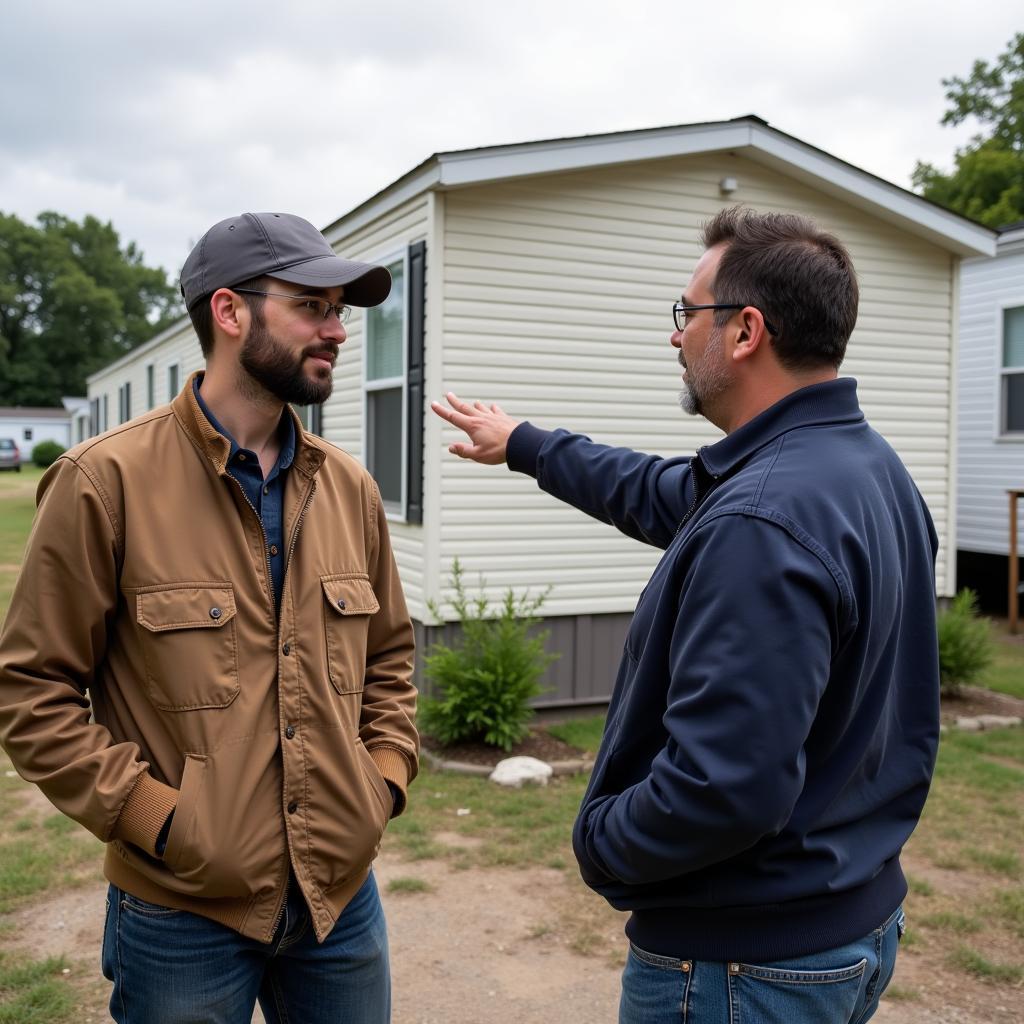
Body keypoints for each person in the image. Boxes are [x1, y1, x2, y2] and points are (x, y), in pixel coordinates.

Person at [431, 206, 939, 1024]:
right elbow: (663, 492)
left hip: (744, 965)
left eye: (686, 314)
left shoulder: (763, 520)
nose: (675, 336)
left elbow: (722, 790)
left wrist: (599, 843)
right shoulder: (862, 468)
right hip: (848, 918)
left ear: (745, 331)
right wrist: (523, 441)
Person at [0, 212, 418, 1024]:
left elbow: (391, 660)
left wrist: (384, 782)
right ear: (230, 313)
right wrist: (158, 821)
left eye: (340, 309)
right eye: (312, 306)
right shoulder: (103, 482)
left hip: (340, 900)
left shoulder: (350, 490)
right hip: (180, 913)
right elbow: (31, 693)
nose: (338, 330)